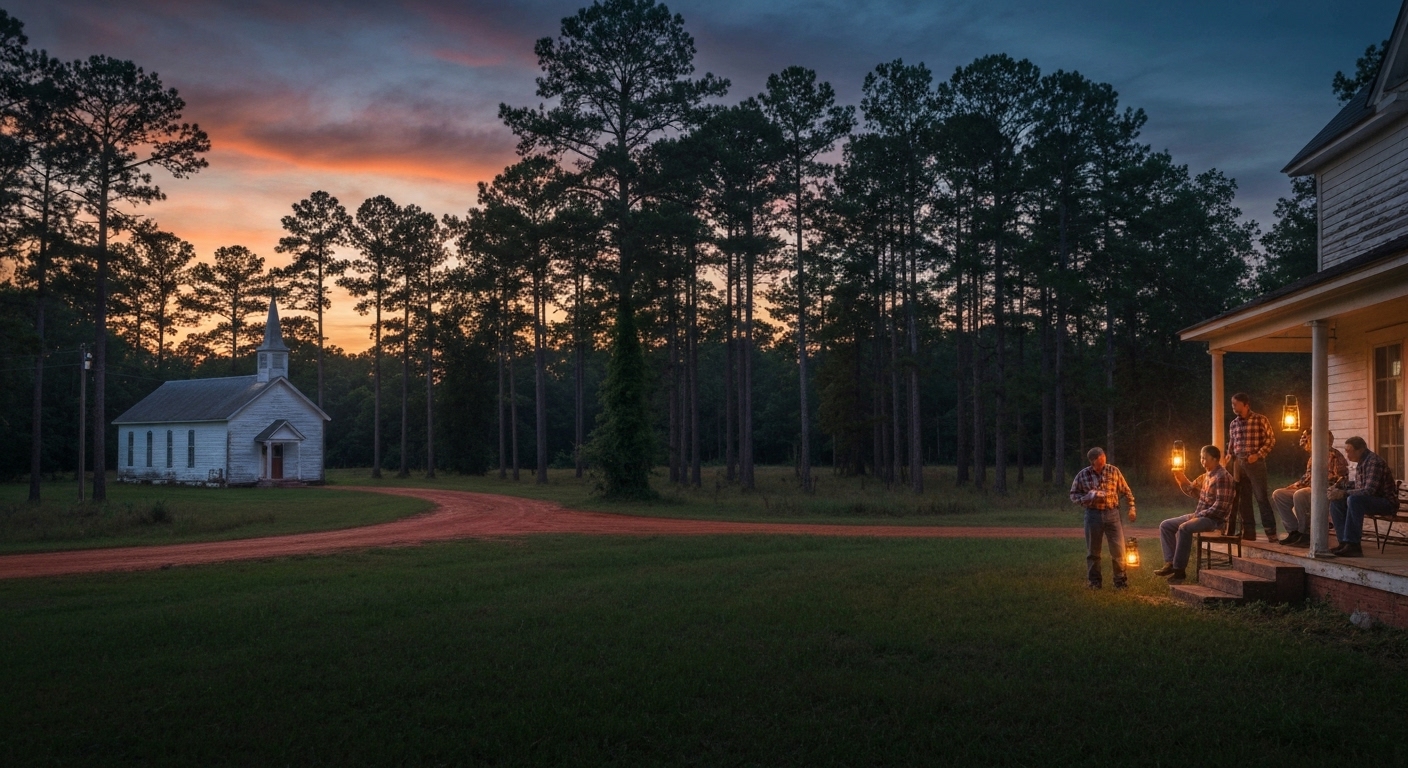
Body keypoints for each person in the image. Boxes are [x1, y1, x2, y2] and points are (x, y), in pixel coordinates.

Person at [1157, 445, 1236, 582]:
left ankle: (1179, 571)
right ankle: (1170, 563)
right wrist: (1181, 478)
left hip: (1214, 519)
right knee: (1166, 525)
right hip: (1200, 515)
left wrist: (1198, 516)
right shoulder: (1206, 476)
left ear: (1215, 459)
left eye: (1204, 458)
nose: (1202, 461)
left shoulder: (1222, 477)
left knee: (1184, 528)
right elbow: (1192, 490)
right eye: (1201, 458)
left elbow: (1220, 507)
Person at [1069, 447, 1137, 589]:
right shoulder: (1083, 475)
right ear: (1093, 462)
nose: (1102, 465)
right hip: (1093, 514)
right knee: (1093, 551)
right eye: (1099, 463)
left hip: (1112, 514)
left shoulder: (1113, 471)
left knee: (1118, 549)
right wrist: (1085, 499)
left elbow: (1126, 490)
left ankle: (1120, 581)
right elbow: (1073, 494)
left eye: (1104, 461)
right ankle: (1094, 582)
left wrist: (1131, 507)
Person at [1271, 430, 1348, 547]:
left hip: (1324, 490)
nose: (1309, 444)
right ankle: (1294, 532)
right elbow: (1306, 478)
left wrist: (1330, 487)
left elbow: (1341, 479)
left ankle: (1305, 533)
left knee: (1300, 494)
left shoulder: (1334, 456)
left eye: (1311, 441)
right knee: (1279, 494)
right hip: (1310, 489)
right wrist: (1290, 488)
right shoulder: (1314, 457)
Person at [1327, 436, 1398, 557]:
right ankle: (1344, 542)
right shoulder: (1362, 462)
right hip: (1370, 500)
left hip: (1386, 503)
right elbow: (1359, 486)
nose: (1347, 454)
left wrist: (1344, 493)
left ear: (1360, 450)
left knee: (1354, 500)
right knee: (1337, 502)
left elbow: (1369, 491)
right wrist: (1339, 487)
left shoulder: (1373, 462)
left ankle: (1353, 545)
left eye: (1349, 451)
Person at [1227, 392, 1277, 542]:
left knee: (1261, 497)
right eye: (1232, 404)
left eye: (1235, 404)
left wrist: (1258, 454)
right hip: (1239, 463)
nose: (1233, 407)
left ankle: (1271, 532)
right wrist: (1229, 456)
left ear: (1245, 404)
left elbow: (1271, 440)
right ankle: (1248, 532)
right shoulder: (1234, 424)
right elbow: (1232, 444)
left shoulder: (1260, 419)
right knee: (1243, 499)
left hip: (1255, 462)